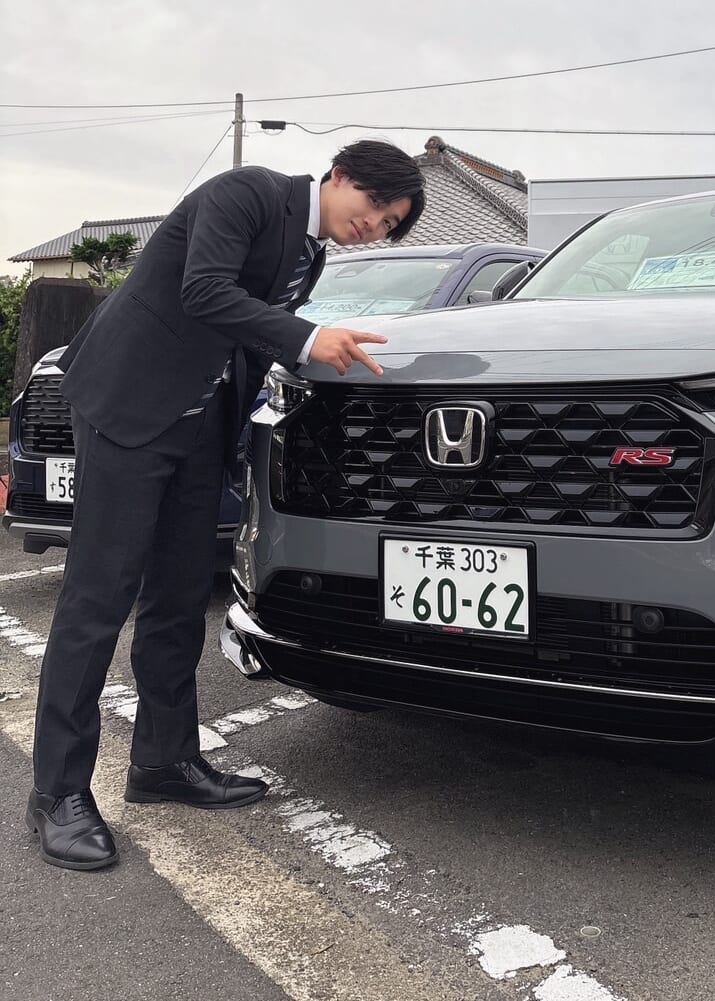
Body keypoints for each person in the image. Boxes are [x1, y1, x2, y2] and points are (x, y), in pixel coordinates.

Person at [25, 140, 425, 870]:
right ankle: (57, 793)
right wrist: (309, 337)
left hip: (199, 424)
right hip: (127, 408)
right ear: (339, 176)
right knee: (97, 599)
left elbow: (245, 336)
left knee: (180, 596)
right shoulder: (247, 194)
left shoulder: (311, 252)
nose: (375, 227)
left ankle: (164, 761)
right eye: (375, 208)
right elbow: (204, 291)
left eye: (390, 224)